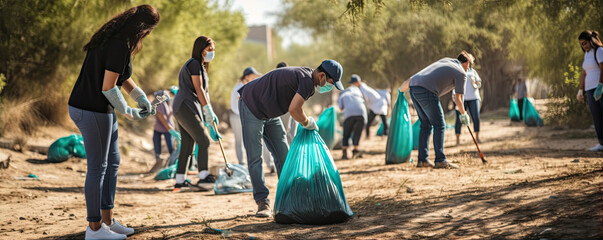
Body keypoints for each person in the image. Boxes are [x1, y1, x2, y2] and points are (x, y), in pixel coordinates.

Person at [67, 5, 160, 239]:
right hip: (91, 109)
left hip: (100, 109)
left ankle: (107, 220)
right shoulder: (118, 44)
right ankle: (95, 229)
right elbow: (108, 87)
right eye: (148, 31)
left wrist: (140, 98)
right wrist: (129, 111)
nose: (147, 36)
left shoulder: (115, 39)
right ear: (142, 28)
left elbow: (123, 77)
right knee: (98, 168)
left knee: (113, 163)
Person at [238, 59, 344, 217]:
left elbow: (295, 107)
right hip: (251, 104)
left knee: (284, 156)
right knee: (255, 157)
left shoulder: (309, 80)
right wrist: (307, 122)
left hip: (270, 111)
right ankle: (263, 202)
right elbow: (294, 109)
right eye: (330, 82)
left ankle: (289, 198)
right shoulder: (307, 80)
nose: (330, 86)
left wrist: (306, 121)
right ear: (322, 75)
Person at [399, 51, 471, 169]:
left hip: (413, 88)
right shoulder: (461, 72)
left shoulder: (448, 61)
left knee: (426, 124)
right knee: (440, 124)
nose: (469, 69)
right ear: (466, 63)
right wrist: (464, 114)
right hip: (426, 90)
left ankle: (422, 160)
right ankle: (440, 160)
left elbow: (455, 94)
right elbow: (459, 99)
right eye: (469, 65)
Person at [171, 36, 222, 192]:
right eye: (209, 50)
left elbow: (203, 92)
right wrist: (208, 110)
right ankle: (203, 177)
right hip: (185, 107)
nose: (212, 53)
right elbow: (199, 89)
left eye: (213, 50)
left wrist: (208, 113)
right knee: (204, 140)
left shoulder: (201, 66)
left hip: (185, 107)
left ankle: (179, 181)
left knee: (187, 144)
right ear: (201, 49)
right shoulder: (194, 64)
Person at [230, 67, 276, 173]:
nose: (255, 78)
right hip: (236, 116)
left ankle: (269, 163)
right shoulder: (238, 87)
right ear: (247, 76)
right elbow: (238, 105)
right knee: (239, 140)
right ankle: (242, 164)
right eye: (253, 76)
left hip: (249, 116)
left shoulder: (250, 86)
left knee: (261, 140)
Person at [577, 30, 603, 151]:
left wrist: (601, 85)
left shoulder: (599, 51)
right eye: (582, 44)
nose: (584, 46)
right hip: (590, 90)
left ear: (591, 40)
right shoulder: (586, 55)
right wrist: (580, 90)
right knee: (596, 117)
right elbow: (584, 73)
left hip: (600, 89)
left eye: (585, 43)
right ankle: (601, 143)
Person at [149, 89, 180, 173]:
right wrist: (170, 129)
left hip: (168, 128)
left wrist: (172, 128)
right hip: (161, 128)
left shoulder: (168, 102)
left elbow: (170, 116)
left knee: (171, 147)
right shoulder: (159, 104)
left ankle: (171, 164)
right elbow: (163, 119)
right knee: (157, 147)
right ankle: (158, 163)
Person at [454, 53, 482, 145]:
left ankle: (477, 137)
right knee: (459, 118)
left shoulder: (473, 72)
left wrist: (476, 84)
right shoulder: (457, 71)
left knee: (476, 117)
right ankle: (457, 139)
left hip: (474, 98)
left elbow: (479, 83)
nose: (468, 63)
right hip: (461, 99)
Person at [338, 75, 367, 159]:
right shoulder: (358, 91)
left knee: (346, 133)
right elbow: (364, 100)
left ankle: (344, 153)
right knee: (357, 132)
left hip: (349, 114)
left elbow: (341, 107)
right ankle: (355, 151)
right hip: (361, 113)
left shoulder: (343, 93)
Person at [275, 62, 298, 145]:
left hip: (292, 110)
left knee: (290, 133)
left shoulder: (290, 79)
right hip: (285, 111)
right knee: (286, 133)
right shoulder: (278, 81)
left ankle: (290, 154)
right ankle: (288, 155)